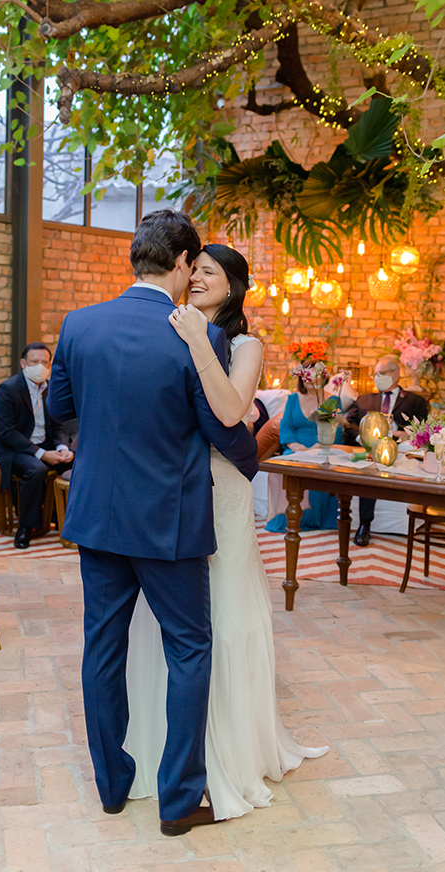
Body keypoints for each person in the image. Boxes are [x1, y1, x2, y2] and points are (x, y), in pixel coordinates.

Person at [46, 210, 259, 837]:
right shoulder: (198, 337)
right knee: (190, 648)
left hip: (99, 519)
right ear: (184, 262)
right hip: (169, 520)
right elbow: (222, 425)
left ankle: (112, 787)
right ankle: (176, 801)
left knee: (101, 650)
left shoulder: (79, 324)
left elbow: (60, 408)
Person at [124, 243, 328, 822]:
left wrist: (195, 341)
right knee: (169, 615)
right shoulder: (162, 329)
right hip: (167, 491)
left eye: (208, 273)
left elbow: (234, 410)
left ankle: (230, 748)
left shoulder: (244, 346)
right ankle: (166, 747)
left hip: (221, 492)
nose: (195, 280)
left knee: (226, 607)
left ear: (233, 285)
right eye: (194, 271)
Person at [0, 343, 73, 549]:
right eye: (35, 362)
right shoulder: (7, 389)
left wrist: (62, 448)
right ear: (24, 364)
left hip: (45, 445)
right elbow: (7, 433)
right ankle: (25, 527)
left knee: (78, 460)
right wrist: (42, 454)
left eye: (45, 362)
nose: (40, 366)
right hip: (13, 450)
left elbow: (58, 425)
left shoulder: (50, 388)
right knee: (37, 469)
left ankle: (62, 517)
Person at [343, 355, 428, 546]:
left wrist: (403, 434)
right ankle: (365, 524)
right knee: (371, 468)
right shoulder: (364, 399)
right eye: (375, 374)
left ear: (396, 374)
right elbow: (349, 424)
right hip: (368, 449)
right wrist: (363, 438)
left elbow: (424, 430)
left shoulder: (415, 401)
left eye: (381, 373)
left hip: (398, 448)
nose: (377, 378)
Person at [265, 365, 345, 533]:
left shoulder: (333, 400)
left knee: (320, 465)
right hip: (294, 450)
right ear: (302, 377)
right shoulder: (293, 399)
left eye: (316, 375)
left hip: (322, 449)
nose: (312, 379)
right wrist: (296, 447)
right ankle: (287, 518)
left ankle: (314, 518)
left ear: (323, 377)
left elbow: (335, 430)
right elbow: (285, 426)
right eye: (308, 375)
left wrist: (315, 448)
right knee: (287, 466)